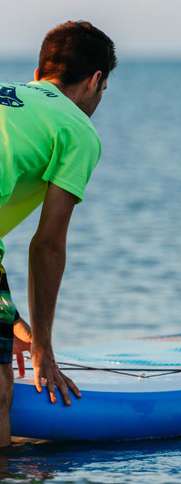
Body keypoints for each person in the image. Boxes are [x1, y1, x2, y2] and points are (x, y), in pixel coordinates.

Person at [0, 21, 117, 447]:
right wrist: (42, 350)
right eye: (103, 91)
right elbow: (47, 244)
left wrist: (11, 319)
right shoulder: (76, 129)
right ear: (95, 81)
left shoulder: (8, 95)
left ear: (38, 75)